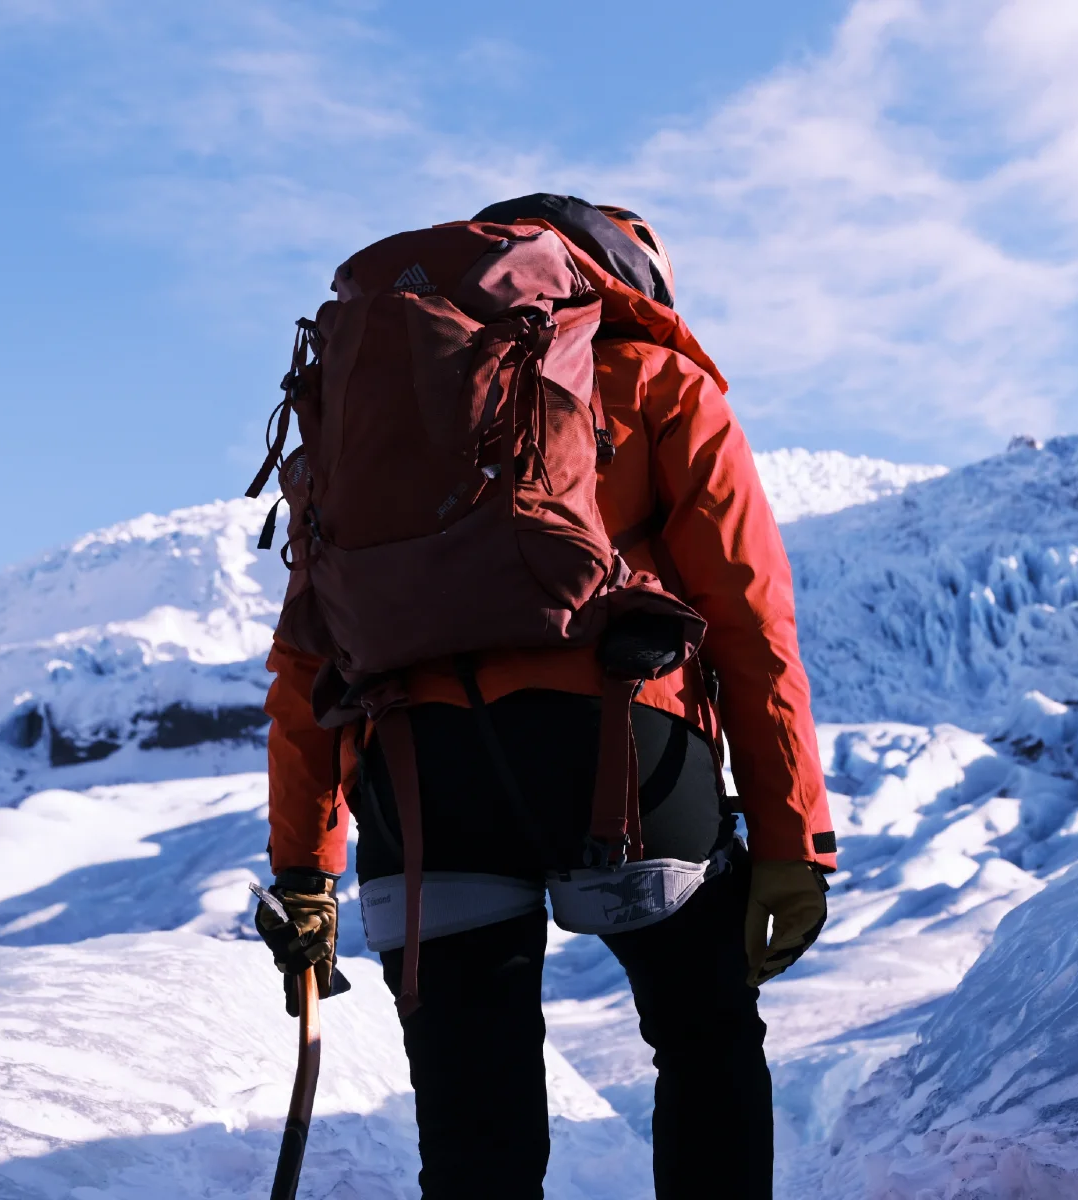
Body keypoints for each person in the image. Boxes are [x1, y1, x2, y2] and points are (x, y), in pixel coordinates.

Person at [253, 193, 837, 1199]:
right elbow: (749, 620)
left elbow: (311, 654)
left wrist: (305, 870)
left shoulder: (369, 415)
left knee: (474, 1120)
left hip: (419, 775)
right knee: (702, 1039)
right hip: (618, 753)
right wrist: (794, 843)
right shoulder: (658, 379)